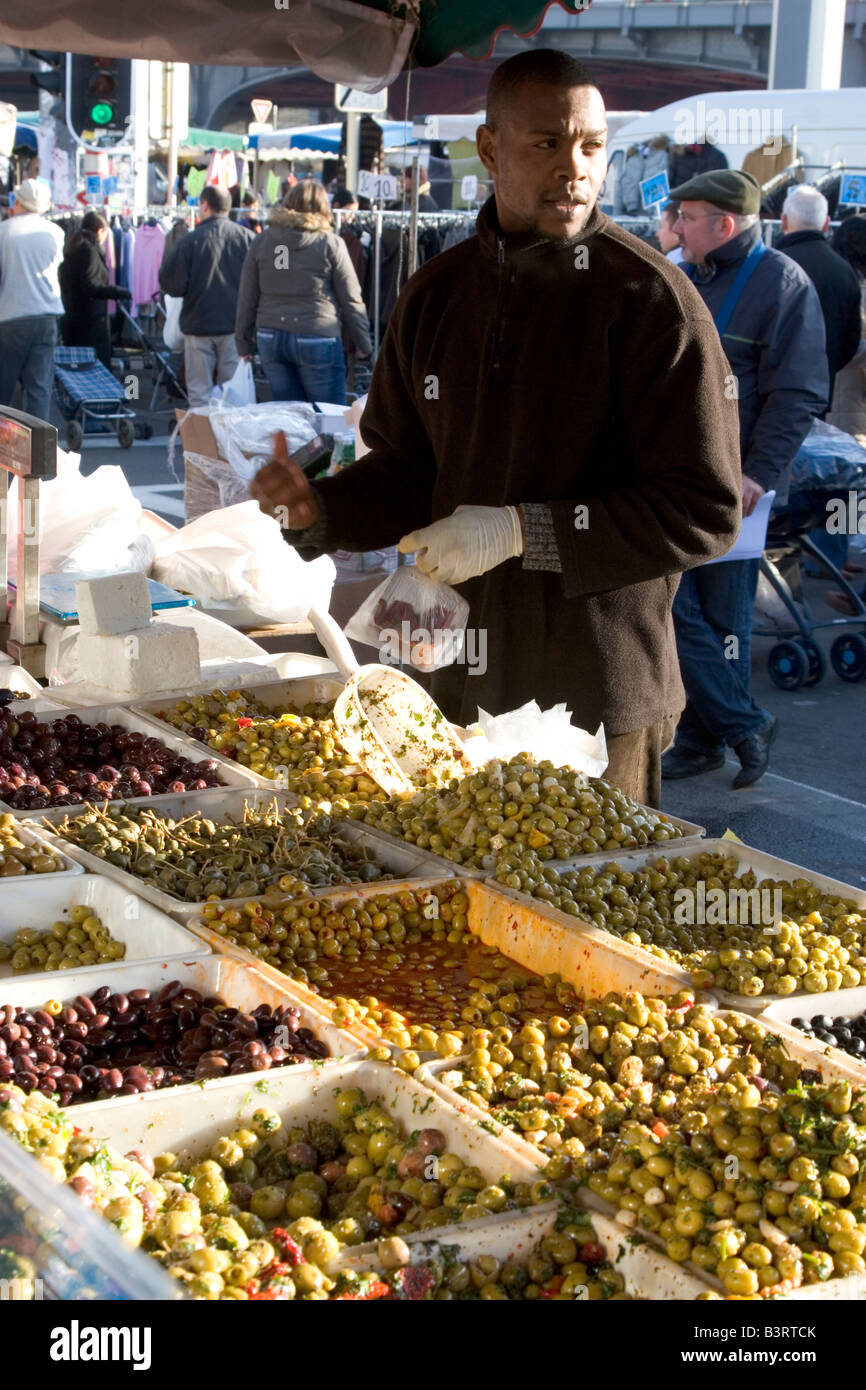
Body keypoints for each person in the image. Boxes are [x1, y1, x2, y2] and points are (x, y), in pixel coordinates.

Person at [249, 49, 742, 809]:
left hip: (597, 694)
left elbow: (705, 510)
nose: (574, 167)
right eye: (547, 143)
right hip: (452, 677)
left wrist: (523, 531)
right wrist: (323, 510)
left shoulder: (652, 302)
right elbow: (410, 470)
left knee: (590, 913)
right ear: (490, 149)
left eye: (590, 146)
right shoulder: (436, 295)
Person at [662, 170, 828, 789]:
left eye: (688, 217)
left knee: (720, 615)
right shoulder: (687, 273)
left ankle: (709, 735)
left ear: (724, 225)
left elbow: (799, 393)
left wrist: (758, 472)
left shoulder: (782, 283)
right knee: (680, 607)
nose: (677, 227)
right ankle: (740, 724)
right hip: (681, 476)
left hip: (738, 486)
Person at [235, 178, 371, 406]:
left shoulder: (266, 241)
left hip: (271, 335)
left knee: (290, 420)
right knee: (329, 419)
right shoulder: (330, 243)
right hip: (317, 334)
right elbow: (351, 300)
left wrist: (243, 342)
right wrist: (364, 346)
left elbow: (247, 296)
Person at [159, 184, 254, 407]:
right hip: (234, 326)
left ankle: (200, 441)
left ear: (204, 205)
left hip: (198, 324)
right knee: (233, 393)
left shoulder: (189, 241)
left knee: (199, 393)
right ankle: (230, 440)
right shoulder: (248, 239)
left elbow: (170, 282)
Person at [777, 185, 862, 404]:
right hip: (822, 390)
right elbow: (850, 338)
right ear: (826, 224)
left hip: (771, 393)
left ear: (783, 221)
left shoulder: (770, 265)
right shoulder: (844, 270)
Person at [0, 178, 65, 421]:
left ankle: (4, 446)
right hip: (46, 314)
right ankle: (39, 452)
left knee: (3, 389)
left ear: (18, 202)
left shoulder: (3, 231)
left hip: (10, 316)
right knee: (39, 389)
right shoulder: (55, 232)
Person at [58, 211, 131, 368]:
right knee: (94, 369)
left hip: (75, 319)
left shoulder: (74, 246)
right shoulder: (88, 251)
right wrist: (117, 292)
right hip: (89, 323)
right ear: (100, 231)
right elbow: (91, 285)